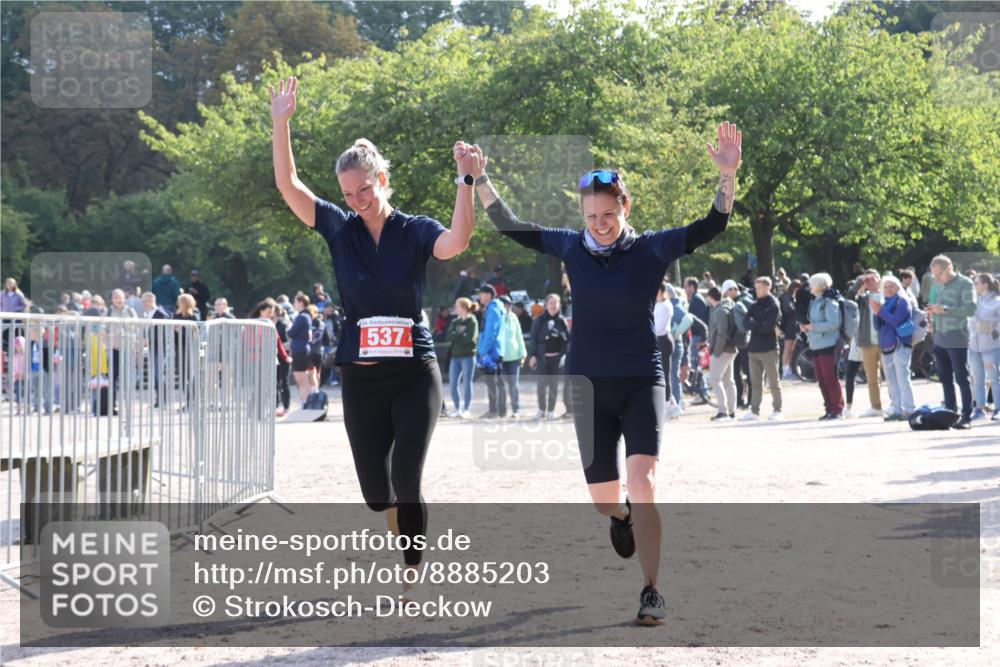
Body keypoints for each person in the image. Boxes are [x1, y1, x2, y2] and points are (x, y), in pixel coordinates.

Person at [472, 121, 741, 624]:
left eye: (609, 215)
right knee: (604, 501)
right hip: (590, 385)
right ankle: (620, 516)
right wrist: (478, 178)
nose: (599, 224)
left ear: (626, 208)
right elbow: (511, 225)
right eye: (592, 216)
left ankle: (652, 589)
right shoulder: (570, 246)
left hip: (641, 379)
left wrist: (727, 177)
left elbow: (712, 226)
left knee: (644, 483)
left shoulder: (651, 249)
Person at [270, 76, 475, 594]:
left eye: (365, 189)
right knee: (376, 494)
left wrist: (465, 182)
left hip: (414, 372)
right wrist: (280, 124)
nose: (357, 199)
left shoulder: (415, 230)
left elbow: (456, 241)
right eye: (348, 193)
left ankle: (412, 571)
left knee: (407, 475)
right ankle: (398, 525)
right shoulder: (340, 229)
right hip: (362, 380)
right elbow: (289, 185)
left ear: (382, 179)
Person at [926, 255, 977, 429]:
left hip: (957, 336)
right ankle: (949, 415)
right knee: (945, 378)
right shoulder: (938, 286)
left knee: (962, 378)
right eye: (934, 275)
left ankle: (967, 417)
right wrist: (932, 317)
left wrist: (945, 309)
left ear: (949, 268)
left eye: (938, 274)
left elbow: (971, 309)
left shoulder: (965, 283)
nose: (936, 278)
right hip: (939, 336)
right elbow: (938, 308)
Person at [801, 273, 844, 420]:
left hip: (828, 344)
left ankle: (837, 409)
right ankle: (829, 409)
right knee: (821, 379)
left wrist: (813, 327)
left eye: (812, 284)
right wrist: (806, 327)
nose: (809, 286)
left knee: (830, 378)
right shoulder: (814, 301)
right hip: (815, 344)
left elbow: (833, 323)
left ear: (819, 286)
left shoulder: (829, 302)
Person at [872, 275, 915, 421]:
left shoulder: (902, 301)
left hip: (900, 344)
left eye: (891, 286)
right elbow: (877, 327)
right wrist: (876, 313)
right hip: (886, 345)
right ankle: (897, 409)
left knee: (903, 378)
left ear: (898, 287)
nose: (888, 289)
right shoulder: (884, 303)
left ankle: (909, 409)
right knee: (891, 381)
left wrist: (880, 311)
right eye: (885, 287)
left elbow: (895, 321)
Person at [740, 277, 782, 421]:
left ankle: (777, 410)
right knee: (755, 383)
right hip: (753, 348)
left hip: (769, 348)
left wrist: (755, 324)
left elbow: (768, 327)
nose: (756, 291)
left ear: (767, 288)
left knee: (774, 382)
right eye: (756, 288)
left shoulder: (774, 305)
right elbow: (745, 322)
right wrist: (759, 324)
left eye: (759, 288)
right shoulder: (754, 304)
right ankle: (754, 411)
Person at [847, 269, 885, 417]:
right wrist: (860, 282)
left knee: (892, 376)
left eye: (872, 278)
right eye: (866, 279)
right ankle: (876, 407)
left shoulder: (887, 294)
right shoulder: (863, 298)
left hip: (885, 341)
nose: (869, 281)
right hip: (867, 342)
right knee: (872, 378)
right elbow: (849, 298)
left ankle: (896, 404)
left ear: (879, 279)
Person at [529, 293, 570, 420]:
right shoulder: (539, 320)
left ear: (559, 305)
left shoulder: (562, 321)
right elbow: (533, 338)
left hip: (556, 359)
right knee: (541, 385)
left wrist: (563, 355)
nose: (553, 305)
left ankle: (551, 411)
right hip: (542, 358)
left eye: (555, 303)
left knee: (554, 386)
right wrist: (533, 355)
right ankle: (541, 410)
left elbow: (567, 340)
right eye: (550, 303)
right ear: (546, 305)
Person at [968, 272, 1000, 421]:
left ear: (985, 285)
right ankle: (979, 409)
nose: (974, 285)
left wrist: (993, 333)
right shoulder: (975, 301)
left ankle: (998, 409)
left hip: (991, 348)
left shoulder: (997, 301)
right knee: (977, 379)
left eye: (977, 283)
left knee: (994, 378)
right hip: (973, 347)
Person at [706, 286, 737, 421]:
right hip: (731, 349)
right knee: (728, 381)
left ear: (710, 297)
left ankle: (723, 411)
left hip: (722, 350)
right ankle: (731, 411)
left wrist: (716, 352)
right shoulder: (728, 306)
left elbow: (721, 333)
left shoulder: (719, 311)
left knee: (714, 379)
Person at [445, 297, 478, 418]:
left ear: (463, 308)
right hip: (455, 357)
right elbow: (448, 336)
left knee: (467, 383)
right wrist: (461, 333)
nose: (455, 308)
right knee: (453, 383)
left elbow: (469, 339)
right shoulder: (455, 321)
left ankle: (466, 409)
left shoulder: (472, 321)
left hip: (468, 357)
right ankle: (457, 409)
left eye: (457, 306)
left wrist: (457, 334)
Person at [476, 283, 506, 418]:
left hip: (491, 351)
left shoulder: (492, 309)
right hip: (497, 349)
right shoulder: (497, 308)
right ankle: (501, 410)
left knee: (491, 382)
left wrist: (483, 351)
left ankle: (494, 411)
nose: (479, 296)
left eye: (481, 293)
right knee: (498, 381)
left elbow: (490, 333)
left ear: (488, 295)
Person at [498, 294, 527, 418]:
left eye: (509, 305)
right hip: (500, 356)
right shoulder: (497, 317)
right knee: (501, 385)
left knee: (514, 385)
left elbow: (519, 335)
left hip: (514, 356)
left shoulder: (513, 317)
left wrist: (523, 353)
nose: (508, 307)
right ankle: (502, 410)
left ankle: (516, 410)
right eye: (506, 305)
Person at [172, 293, 200, 410]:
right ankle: (188, 401)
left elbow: (195, 334)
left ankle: (192, 401)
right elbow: (173, 331)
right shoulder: (176, 315)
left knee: (191, 374)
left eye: (180, 302)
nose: (178, 304)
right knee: (182, 375)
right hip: (179, 348)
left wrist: (181, 332)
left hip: (191, 348)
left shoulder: (195, 315)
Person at [287, 295, 315, 408]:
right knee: (304, 379)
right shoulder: (307, 316)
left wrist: (289, 328)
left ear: (301, 303)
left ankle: (305, 403)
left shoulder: (301, 317)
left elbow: (291, 333)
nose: (294, 304)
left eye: (295, 302)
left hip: (299, 349)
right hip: (303, 349)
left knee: (301, 380)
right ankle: (307, 402)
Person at [653, 282, 675, 405]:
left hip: (664, 340)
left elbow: (659, 327)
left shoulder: (666, 306)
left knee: (665, 373)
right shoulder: (658, 304)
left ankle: (667, 401)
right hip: (658, 340)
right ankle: (667, 401)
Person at [779, 278, 799, 379]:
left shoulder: (791, 297)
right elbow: (788, 311)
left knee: (792, 349)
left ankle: (789, 369)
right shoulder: (786, 297)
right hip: (788, 326)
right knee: (787, 349)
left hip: (793, 326)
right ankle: (784, 371)